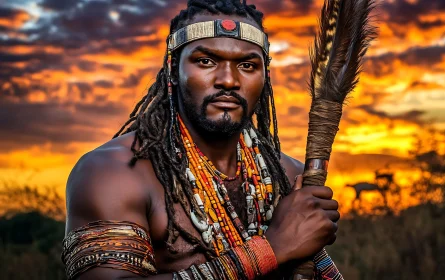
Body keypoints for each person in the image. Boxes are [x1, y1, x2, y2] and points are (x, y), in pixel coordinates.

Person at [62, 0, 342, 279]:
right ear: (173, 69)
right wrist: (270, 250)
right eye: (206, 61)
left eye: (247, 65)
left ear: (264, 77)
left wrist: (311, 242)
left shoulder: (286, 175)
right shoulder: (113, 173)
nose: (229, 80)